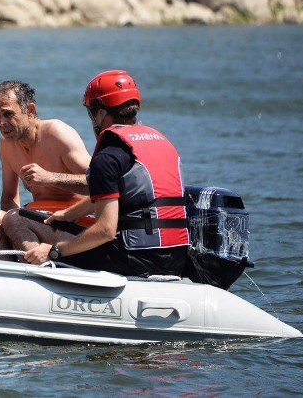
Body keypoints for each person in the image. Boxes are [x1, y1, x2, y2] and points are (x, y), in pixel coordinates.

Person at [23, 70, 190, 277]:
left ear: (101, 113)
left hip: (135, 259)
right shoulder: (162, 143)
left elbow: (105, 230)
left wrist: (55, 251)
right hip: (177, 259)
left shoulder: (108, 157)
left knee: (18, 220)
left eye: (92, 112)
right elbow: (119, 194)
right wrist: (68, 214)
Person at [0, 80, 91, 253]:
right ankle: (12, 273)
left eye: (8, 114)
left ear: (30, 110)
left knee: (14, 219)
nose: (2, 123)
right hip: (41, 222)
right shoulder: (7, 144)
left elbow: (101, 184)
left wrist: (50, 178)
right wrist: (12, 232)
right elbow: (9, 197)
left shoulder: (57, 134)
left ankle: (38, 267)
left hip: (78, 224)